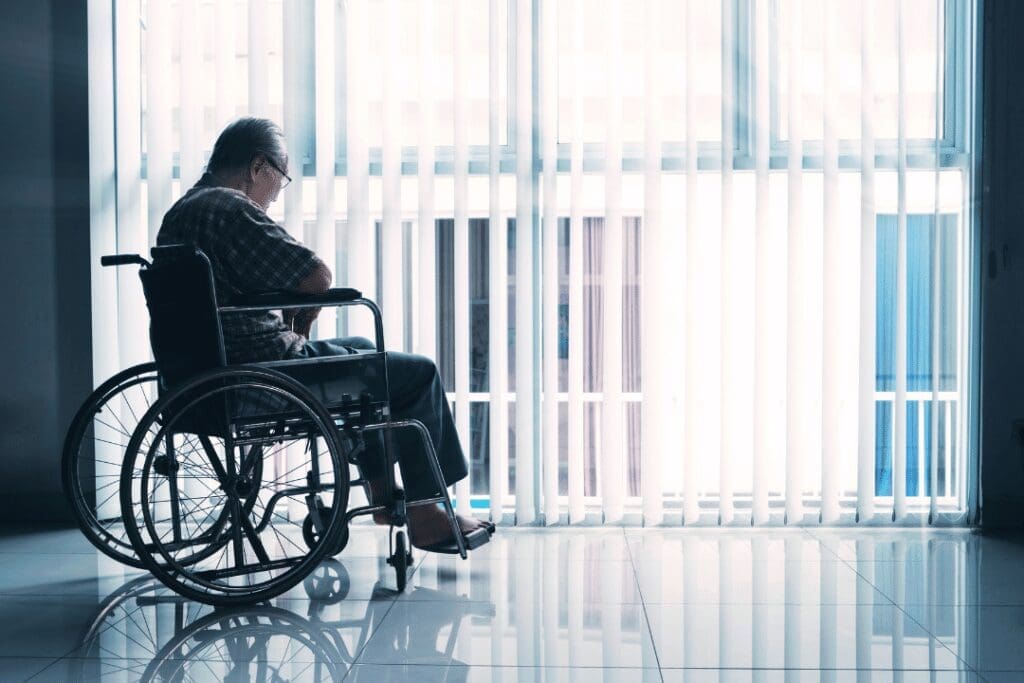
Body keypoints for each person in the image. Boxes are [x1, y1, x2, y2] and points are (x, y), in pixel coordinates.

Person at [157, 117, 490, 550]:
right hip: (261, 373)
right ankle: (427, 514)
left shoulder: (182, 213)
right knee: (418, 374)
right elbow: (316, 275)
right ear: (259, 167)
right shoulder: (229, 207)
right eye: (281, 180)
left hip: (208, 372)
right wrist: (305, 318)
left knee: (365, 354)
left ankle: (383, 496)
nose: (276, 194)